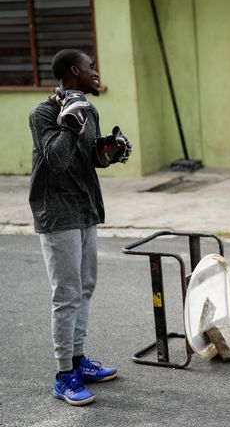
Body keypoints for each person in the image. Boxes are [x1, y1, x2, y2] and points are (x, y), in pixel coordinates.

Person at [29, 49, 132, 406]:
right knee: (66, 294)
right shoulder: (42, 113)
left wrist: (108, 152)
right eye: (90, 67)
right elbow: (55, 159)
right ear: (74, 72)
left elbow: (86, 158)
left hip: (85, 207)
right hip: (56, 211)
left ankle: (78, 361)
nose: (96, 72)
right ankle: (63, 376)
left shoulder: (89, 109)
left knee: (84, 287)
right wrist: (69, 120)